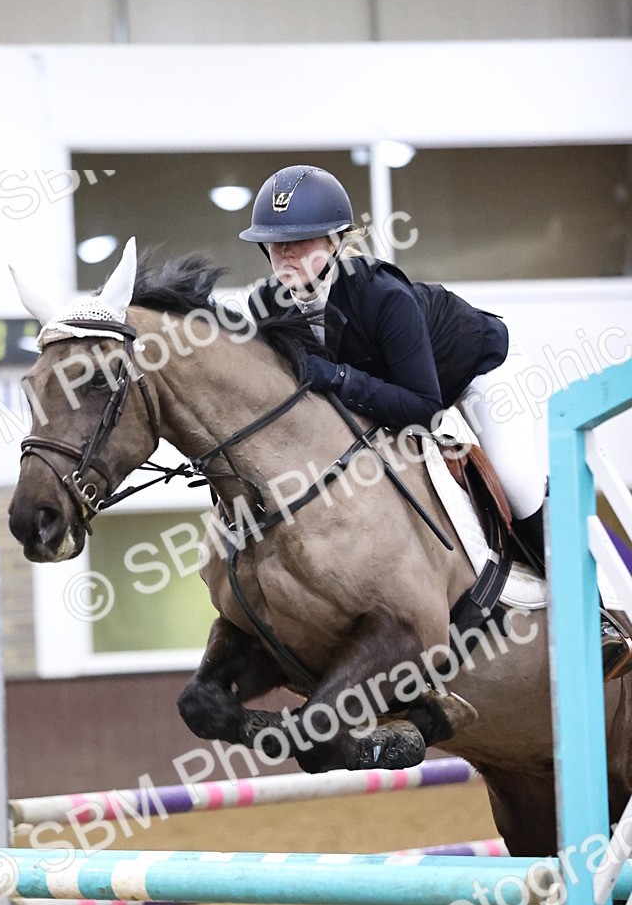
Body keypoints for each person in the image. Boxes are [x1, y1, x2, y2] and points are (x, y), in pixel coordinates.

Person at [239, 164, 631, 676]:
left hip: (478, 373)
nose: (284, 256)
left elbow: (424, 407)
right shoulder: (265, 305)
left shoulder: (382, 295)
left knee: (513, 480)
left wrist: (338, 377)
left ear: (336, 241)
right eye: (274, 244)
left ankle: (596, 612)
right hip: (395, 391)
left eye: (299, 242)